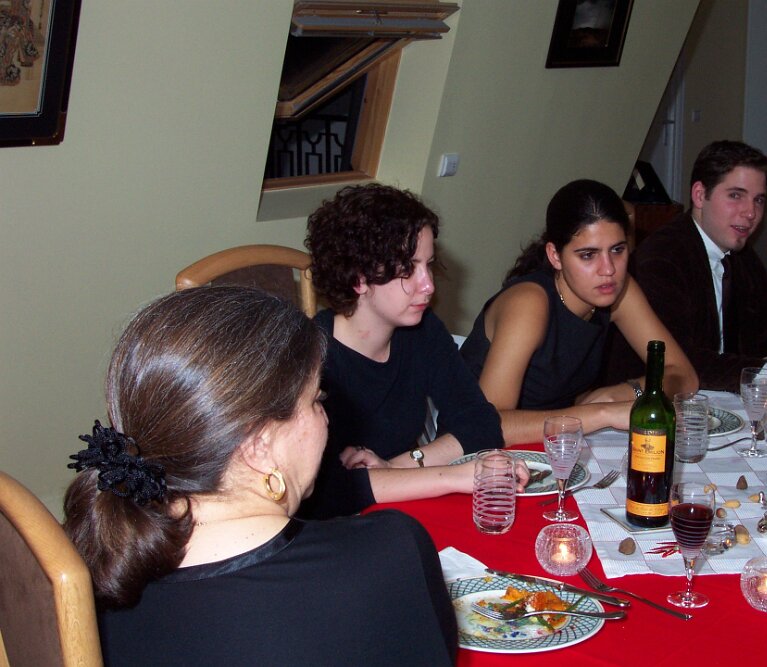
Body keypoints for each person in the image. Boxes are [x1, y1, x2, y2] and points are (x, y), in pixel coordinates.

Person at [63, 286, 457, 666]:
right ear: (259, 444)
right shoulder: (388, 555)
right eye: (316, 400)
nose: (326, 419)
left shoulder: (93, 570)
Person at [298, 183, 518, 520]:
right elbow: (326, 494)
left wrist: (397, 466)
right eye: (408, 270)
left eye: (428, 265)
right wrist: (455, 476)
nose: (428, 285)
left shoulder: (422, 331)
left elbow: (481, 423)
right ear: (358, 279)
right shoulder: (313, 360)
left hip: (399, 509)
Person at [461, 179, 698, 445]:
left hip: (555, 445)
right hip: (476, 455)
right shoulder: (528, 304)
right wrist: (603, 413)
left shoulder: (618, 290)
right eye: (588, 255)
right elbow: (488, 425)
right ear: (555, 256)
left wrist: (623, 393)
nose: (608, 269)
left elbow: (683, 374)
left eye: (617, 250)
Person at [605, 140, 767, 396]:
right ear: (699, 195)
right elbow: (680, 361)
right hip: (653, 405)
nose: (751, 212)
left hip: (718, 396)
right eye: (736, 195)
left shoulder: (741, 257)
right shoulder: (662, 257)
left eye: (759, 200)